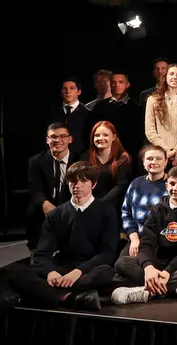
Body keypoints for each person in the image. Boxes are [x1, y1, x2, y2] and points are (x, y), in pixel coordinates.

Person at [5, 162, 118, 311]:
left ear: (94, 184)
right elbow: (42, 253)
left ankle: (45, 292)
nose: (77, 185)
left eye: (83, 180)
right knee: (13, 271)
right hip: (63, 267)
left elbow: (107, 253)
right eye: (73, 181)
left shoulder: (106, 212)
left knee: (105, 273)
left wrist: (78, 272)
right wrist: (51, 273)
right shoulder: (57, 214)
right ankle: (68, 297)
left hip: (90, 268)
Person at [111, 166, 177, 304]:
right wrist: (148, 268)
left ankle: (147, 292)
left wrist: (168, 272)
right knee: (122, 263)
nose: (176, 188)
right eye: (172, 184)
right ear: (166, 185)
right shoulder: (157, 209)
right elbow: (147, 242)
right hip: (160, 261)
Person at [26, 123, 80, 251]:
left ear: (70, 139)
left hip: (70, 201)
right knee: (31, 211)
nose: (58, 140)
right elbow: (34, 187)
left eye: (63, 136)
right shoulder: (36, 161)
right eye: (53, 137)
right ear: (47, 140)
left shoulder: (79, 159)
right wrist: (44, 203)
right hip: (48, 200)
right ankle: (36, 249)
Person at [120, 145, 168, 259]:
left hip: (161, 241)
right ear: (143, 162)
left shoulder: (172, 184)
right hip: (138, 238)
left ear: (166, 162)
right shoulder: (136, 183)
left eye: (158, 158)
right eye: (149, 158)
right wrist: (134, 238)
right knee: (121, 265)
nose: (154, 162)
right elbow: (126, 213)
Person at [144, 63, 177, 167]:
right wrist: (167, 151)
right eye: (171, 74)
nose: (174, 77)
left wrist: (176, 150)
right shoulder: (152, 100)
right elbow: (150, 131)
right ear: (165, 77)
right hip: (161, 153)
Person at [83, 121, 132, 214]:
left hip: (112, 207)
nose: (101, 138)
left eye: (105, 135)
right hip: (87, 206)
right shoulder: (85, 156)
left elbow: (120, 186)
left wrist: (99, 204)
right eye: (97, 135)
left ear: (113, 137)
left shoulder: (123, 158)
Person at [48, 77, 91, 154]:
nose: (68, 91)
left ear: (79, 92)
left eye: (72, 88)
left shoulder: (88, 114)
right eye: (65, 88)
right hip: (55, 156)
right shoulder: (52, 112)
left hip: (79, 157)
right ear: (61, 91)